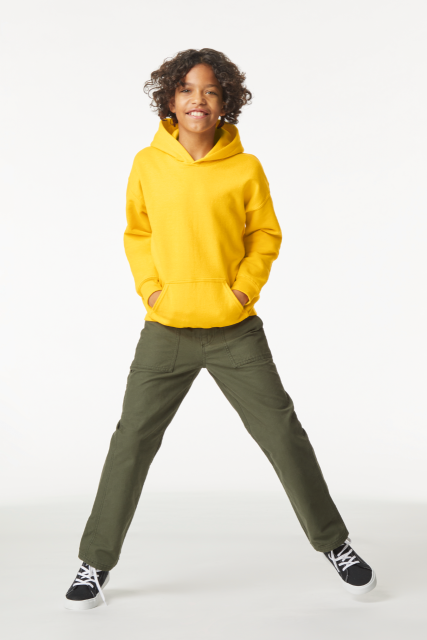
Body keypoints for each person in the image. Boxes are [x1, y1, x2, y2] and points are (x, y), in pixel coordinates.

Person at [64, 48, 376, 610]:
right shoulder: (147, 163)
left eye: (210, 90)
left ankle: (336, 545)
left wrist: (242, 291)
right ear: (170, 99)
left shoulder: (246, 167)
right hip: (166, 329)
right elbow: (137, 234)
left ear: (226, 100)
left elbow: (265, 236)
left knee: (283, 434)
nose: (198, 100)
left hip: (234, 329)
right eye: (186, 89)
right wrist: (152, 291)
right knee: (131, 441)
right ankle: (95, 560)